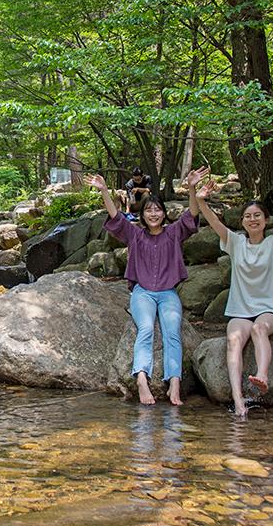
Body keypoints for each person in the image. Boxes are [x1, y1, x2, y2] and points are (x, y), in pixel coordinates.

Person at [188, 168, 273, 417]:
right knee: (234, 341)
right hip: (240, 310)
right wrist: (200, 200)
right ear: (242, 221)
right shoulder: (236, 243)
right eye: (248, 216)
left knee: (259, 329)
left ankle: (262, 375)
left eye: (258, 215)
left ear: (265, 220)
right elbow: (215, 223)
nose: (253, 219)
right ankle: (238, 399)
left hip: (269, 310)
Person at [84, 169, 205, 406]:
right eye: (148, 210)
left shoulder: (173, 233)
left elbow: (191, 215)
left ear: (164, 213)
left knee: (172, 332)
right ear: (143, 214)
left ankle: (175, 384)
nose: (153, 213)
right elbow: (115, 217)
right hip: (143, 292)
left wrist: (191, 188)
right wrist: (105, 191)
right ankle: (141, 378)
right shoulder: (136, 235)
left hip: (167, 293)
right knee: (146, 329)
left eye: (157, 209)